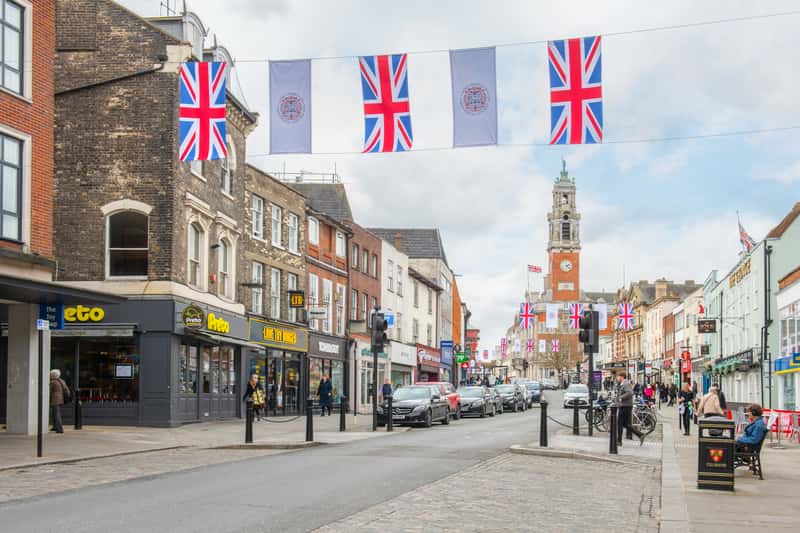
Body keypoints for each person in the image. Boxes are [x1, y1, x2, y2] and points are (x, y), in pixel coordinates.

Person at [615, 371, 646, 446]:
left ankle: (619, 441)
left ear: (621, 377)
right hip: (626, 406)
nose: (617, 378)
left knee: (620, 423)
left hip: (625, 406)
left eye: (618, 377)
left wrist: (620, 398)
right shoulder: (622, 384)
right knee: (626, 424)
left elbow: (630, 393)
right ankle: (640, 435)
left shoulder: (626, 383)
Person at [49, 369, 70, 434]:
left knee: (56, 414)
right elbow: (67, 390)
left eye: (50, 374)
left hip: (55, 400)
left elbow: (49, 391)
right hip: (61, 399)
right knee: (55, 413)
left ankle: (59, 428)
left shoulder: (53, 382)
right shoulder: (61, 381)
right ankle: (55, 426)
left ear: (52, 375)